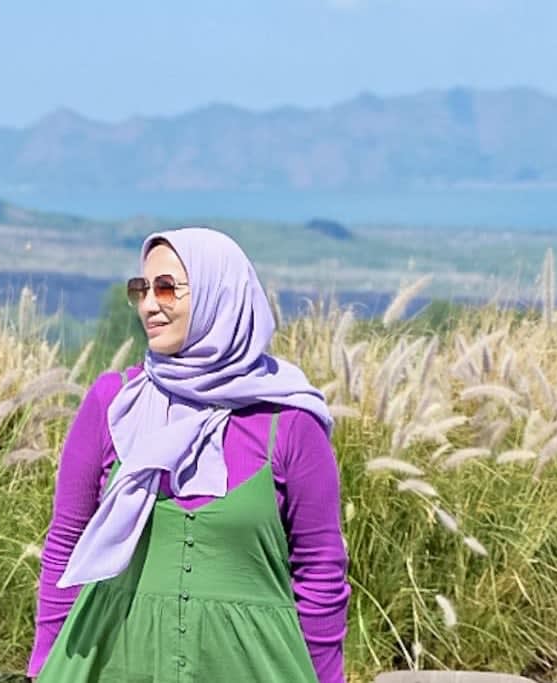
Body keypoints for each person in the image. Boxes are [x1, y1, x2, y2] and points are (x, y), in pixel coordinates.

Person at [26, 226, 350, 682]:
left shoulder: (290, 422)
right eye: (140, 288)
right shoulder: (114, 404)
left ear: (220, 294)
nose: (148, 304)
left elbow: (320, 571)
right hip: (114, 667)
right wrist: (44, 666)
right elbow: (65, 543)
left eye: (166, 288)